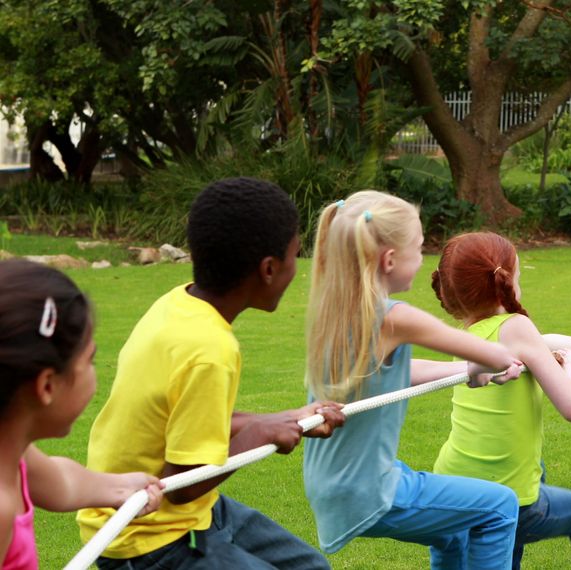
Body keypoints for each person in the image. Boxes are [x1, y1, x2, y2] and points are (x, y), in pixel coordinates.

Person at [77, 177, 346, 569]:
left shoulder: (178, 303)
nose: (296, 268)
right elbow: (182, 483)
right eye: (295, 256)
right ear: (269, 269)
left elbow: (187, 422)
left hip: (195, 516)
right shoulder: (210, 349)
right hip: (147, 539)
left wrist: (282, 419)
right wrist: (254, 438)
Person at [302, 192, 527, 569]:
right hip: (369, 488)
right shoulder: (395, 317)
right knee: (499, 505)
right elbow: (493, 353)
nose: (423, 261)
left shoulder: (339, 310)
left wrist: (466, 372)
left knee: (452, 526)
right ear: (390, 260)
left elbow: (399, 372)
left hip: (338, 482)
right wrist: (491, 364)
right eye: (419, 249)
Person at [429, 231, 571, 570]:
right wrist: (570, 367)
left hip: (453, 485)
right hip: (506, 497)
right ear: (506, 282)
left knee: (503, 549)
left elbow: (541, 342)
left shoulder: (466, 336)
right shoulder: (516, 326)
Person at [0, 260, 164, 569]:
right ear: (47, 385)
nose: (95, 372)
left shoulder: (13, 453)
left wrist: (120, 488)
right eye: (90, 359)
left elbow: (59, 480)